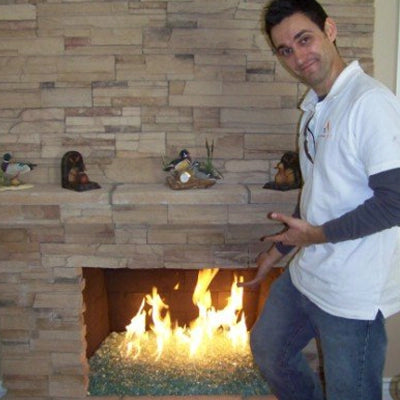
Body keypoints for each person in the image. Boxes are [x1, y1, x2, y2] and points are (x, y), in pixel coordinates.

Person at [238, 1, 400, 399]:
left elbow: (395, 202)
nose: (297, 56)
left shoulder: (370, 104)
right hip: (309, 274)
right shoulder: (314, 108)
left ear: (330, 30)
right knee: (269, 350)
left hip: (352, 292)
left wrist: (316, 237)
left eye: (304, 39)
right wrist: (277, 251)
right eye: (285, 50)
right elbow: (317, 190)